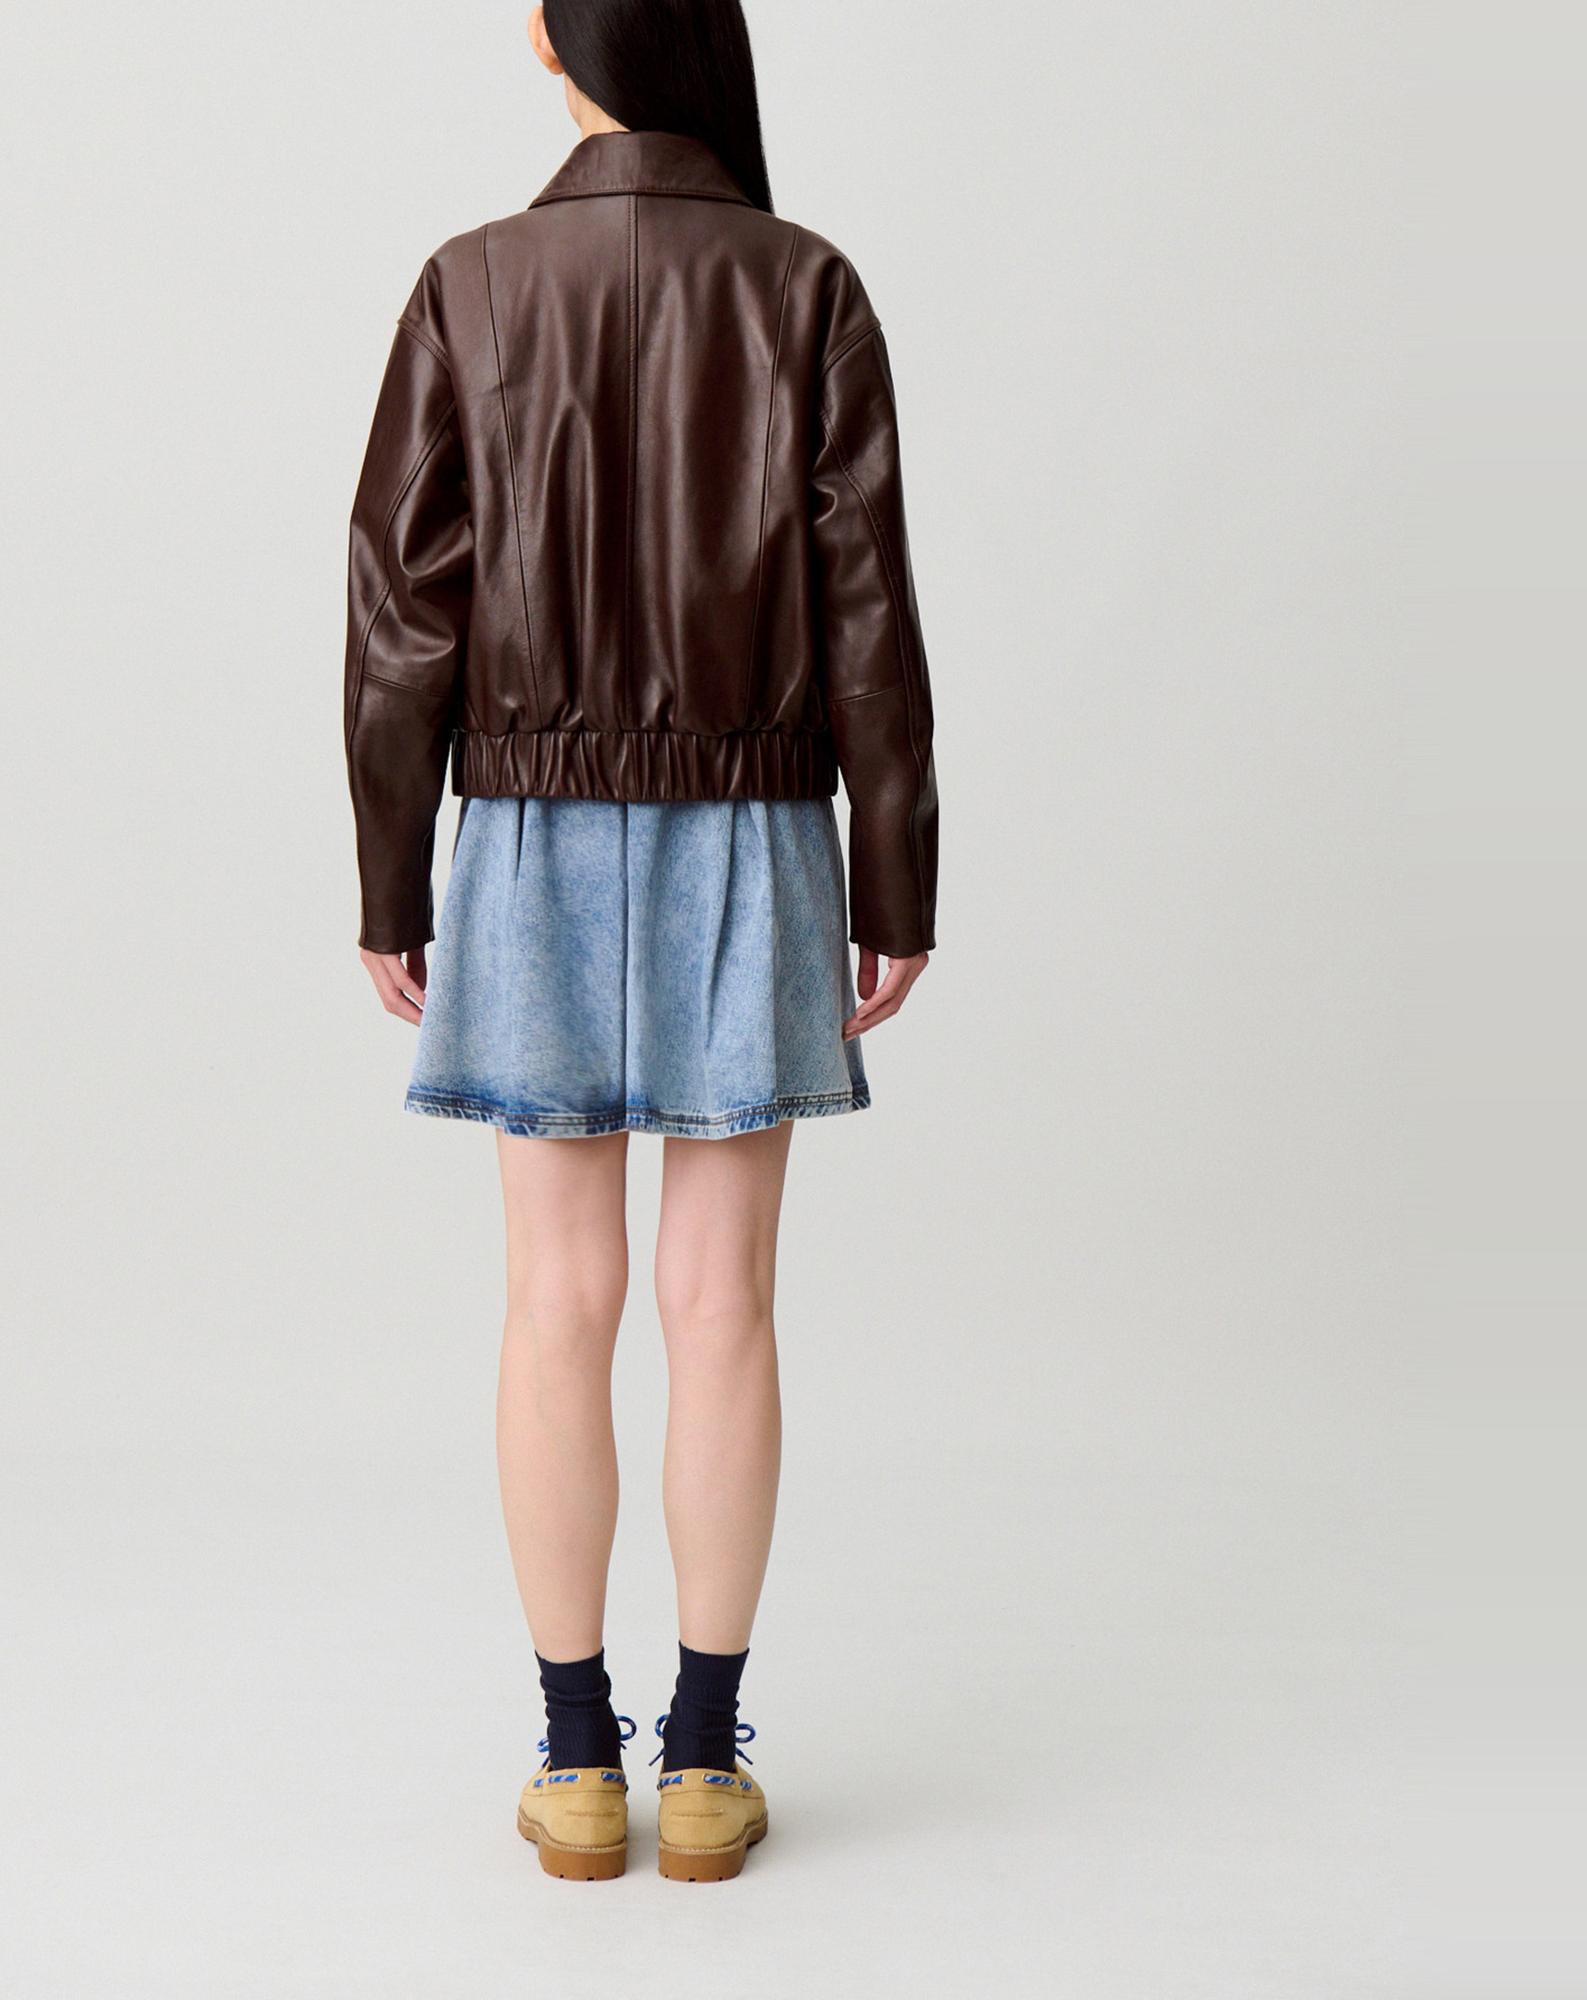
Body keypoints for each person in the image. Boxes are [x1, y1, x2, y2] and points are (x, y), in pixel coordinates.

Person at [343, 0, 937, 1882]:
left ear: (555, 41)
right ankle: (703, 1762)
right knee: (722, 1301)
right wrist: (897, 873)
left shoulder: (470, 284)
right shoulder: (805, 284)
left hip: (526, 832)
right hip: (755, 823)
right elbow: (867, 605)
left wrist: (390, 872)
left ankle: (576, 1759)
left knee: (555, 1298)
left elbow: (400, 608)